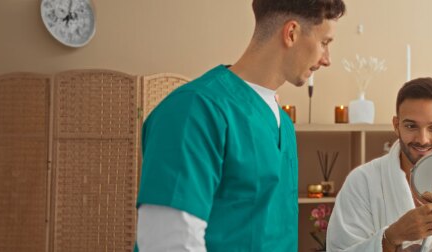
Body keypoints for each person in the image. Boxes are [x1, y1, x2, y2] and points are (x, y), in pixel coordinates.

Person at [135, 1, 346, 251]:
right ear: (291, 33)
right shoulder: (194, 110)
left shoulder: (284, 125)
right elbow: (167, 242)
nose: (327, 59)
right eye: (325, 43)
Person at [326, 78, 432, 252]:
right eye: (411, 126)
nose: (422, 139)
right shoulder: (362, 183)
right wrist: (391, 237)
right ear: (396, 125)